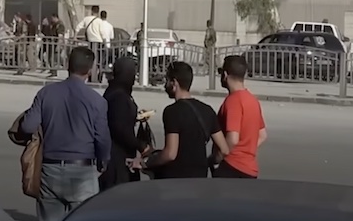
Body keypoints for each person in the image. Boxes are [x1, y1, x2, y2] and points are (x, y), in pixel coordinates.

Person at [18, 46, 109, 221]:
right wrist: (103, 161)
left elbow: (28, 126)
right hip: (83, 171)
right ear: (90, 70)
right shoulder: (97, 101)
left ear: (67, 65)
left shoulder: (46, 93)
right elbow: (102, 139)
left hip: (50, 170)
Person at [134, 61, 227, 179]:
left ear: (174, 83)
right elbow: (224, 149)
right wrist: (208, 161)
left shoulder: (172, 111)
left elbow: (170, 154)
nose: (165, 85)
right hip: (200, 177)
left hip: (176, 177)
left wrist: (146, 163)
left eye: (167, 81)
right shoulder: (207, 110)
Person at [99, 57, 147, 191]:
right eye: (133, 74)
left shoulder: (116, 91)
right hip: (117, 159)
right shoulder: (119, 96)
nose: (134, 78)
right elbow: (119, 129)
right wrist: (141, 145)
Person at [214, 55, 265, 178]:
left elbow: (233, 139)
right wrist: (246, 150)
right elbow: (262, 135)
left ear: (225, 75)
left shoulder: (233, 101)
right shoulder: (253, 100)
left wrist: (217, 158)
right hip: (250, 169)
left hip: (232, 167)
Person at [40, 14, 64, 78]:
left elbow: (60, 36)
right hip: (51, 44)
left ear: (55, 17)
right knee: (50, 57)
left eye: (52, 18)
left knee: (53, 58)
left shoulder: (59, 25)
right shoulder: (54, 24)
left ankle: (54, 72)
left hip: (56, 44)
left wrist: (58, 45)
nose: (51, 20)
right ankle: (52, 70)